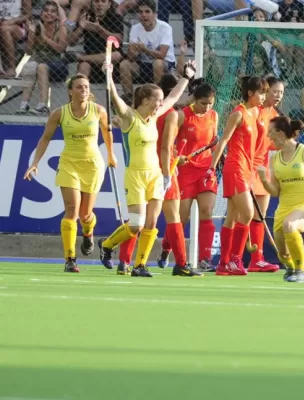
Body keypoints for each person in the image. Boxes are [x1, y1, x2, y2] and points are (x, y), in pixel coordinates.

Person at [98, 59, 195, 277]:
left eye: (161, 100)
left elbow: (173, 98)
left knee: (151, 223)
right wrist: (109, 76)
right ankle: (106, 245)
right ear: (145, 99)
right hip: (135, 176)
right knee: (136, 225)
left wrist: (186, 77)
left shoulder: (154, 117)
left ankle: (139, 265)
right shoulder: (129, 117)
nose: (161, 103)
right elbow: (114, 98)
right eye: (157, 100)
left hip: (156, 175)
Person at [24, 74, 116, 273]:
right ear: (70, 91)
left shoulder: (98, 110)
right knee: (71, 210)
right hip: (68, 164)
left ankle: (88, 232)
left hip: (92, 165)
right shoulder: (59, 113)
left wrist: (111, 154)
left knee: (85, 214)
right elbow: (45, 138)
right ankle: (70, 259)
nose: (83, 90)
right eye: (79, 87)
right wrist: (35, 163)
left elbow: (107, 132)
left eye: (86, 87)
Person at [205, 76, 268, 276]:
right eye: (262, 92)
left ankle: (223, 264)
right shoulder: (238, 113)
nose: (264, 96)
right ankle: (235, 260)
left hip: (247, 169)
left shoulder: (257, 112)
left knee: (232, 217)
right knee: (248, 213)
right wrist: (211, 168)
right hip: (235, 168)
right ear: (250, 93)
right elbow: (223, 141)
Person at [257, 116, 304, 283]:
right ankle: (292, 268)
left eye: (271, 132)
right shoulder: (274, 158)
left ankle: (302, 271)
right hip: (283, 209)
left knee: (290, 225)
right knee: (283, 255)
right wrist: (264, 180)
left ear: (280, 133)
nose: (268, 135)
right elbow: (275, 192)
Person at [167, 80, 219, 273]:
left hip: (205, 170)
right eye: (203, 103)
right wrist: (176, 156)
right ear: (195, 100)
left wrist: (214, 162)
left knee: (207, 211)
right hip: (185, 171)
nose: (207, 107)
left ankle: (205, 259)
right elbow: (168, 143)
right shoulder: (181, 116)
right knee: (181, 217)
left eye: (210, 103)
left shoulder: (214, 116)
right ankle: (166, 248)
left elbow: (213, 143)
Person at [236, 76, 284, 273]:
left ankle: (257, 259)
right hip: (247, 167)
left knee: (260, 215)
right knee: (242, 215)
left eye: (281, 93)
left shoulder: (274, 115)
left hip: (262, 168)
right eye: (274, 91)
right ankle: (234, 258)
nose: (277, 96)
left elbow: (271, 143)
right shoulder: (253, 112)